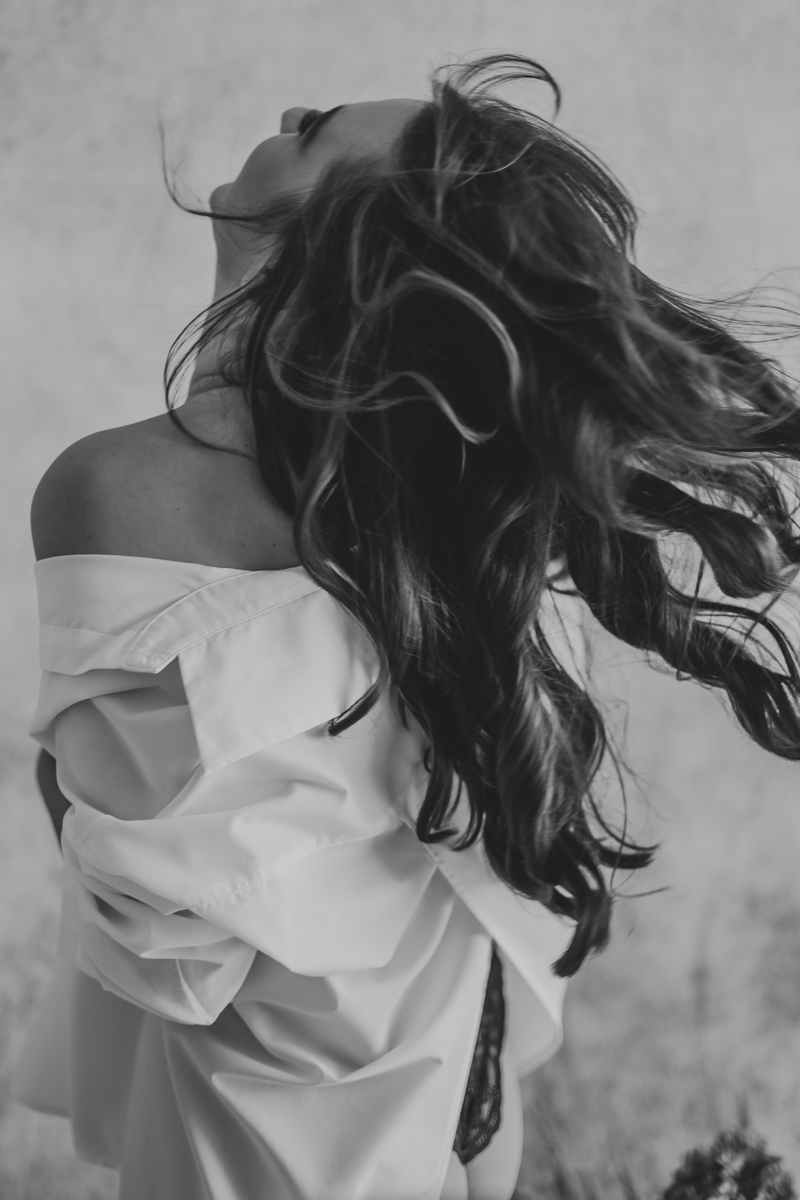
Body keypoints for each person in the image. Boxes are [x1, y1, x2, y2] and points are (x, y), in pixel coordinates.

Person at [12, 52, 800, 1200]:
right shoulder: (473, 518)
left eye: (317, 124)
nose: (290, 108)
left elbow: (145, 913)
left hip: (260, 1120)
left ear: (338, 242)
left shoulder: (116, 488)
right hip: (458, 1091)